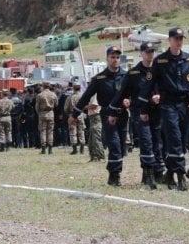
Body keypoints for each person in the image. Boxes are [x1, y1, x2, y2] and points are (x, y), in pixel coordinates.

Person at [139, 27, 189, 191]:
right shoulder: (160, 61)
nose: (179, 41)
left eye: (181, 38)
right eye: (176, 38)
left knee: (181, 141)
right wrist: (144, 107)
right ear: (170, 40)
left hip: (185, 105)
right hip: (168, 104)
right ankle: (181, 175)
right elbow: (148, 85)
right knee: (174, 138)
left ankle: (169, 172)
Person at [69, 46, 128, 186]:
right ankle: (115, 175)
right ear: (107, 59)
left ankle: (114, 172)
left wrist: (130, 101)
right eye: (112, 57)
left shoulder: (126, 76)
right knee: (114, 145)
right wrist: (74, 114)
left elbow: (135, 94)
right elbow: (86, 97)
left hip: (123, 114)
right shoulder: (100, 79)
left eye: (117, 57)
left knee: (121, 146)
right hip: (108, 115)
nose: (115, 60)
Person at [108, 42, 161, 188]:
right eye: (147, 52)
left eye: (152, 51)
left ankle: (154, 173)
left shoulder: (160, 69)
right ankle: (149, 173)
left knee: (157, 143)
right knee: (146, 142)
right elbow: (122, 92)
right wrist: (113, 110)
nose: (150, 54)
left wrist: (160, 96)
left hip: (157, 111)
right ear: (141, 53)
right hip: (140, 111)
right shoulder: (134, 73)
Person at [36, 83, 58, 154]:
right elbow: (56, 104)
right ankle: (50, 149)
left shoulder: (40, 95)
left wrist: (39, 112)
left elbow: (37, 106)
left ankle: (43, 149)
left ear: (43, 86)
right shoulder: (53, 94)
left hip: (42, 113)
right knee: (50, 131)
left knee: (43, 131)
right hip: (51, 113)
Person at [64, 83, 86, 155]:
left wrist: (68, 114)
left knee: (73, 132)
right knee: (81, 131)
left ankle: (75, 149)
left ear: (73, 88)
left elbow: (66, 108)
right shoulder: (82, 96)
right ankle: (82, 149)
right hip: (81, 114)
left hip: (72, 114)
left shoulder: (70, 97)